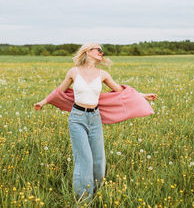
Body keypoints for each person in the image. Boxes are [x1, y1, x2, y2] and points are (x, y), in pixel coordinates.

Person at [34, 43, 157, 200]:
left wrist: (143, 95)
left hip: (95, 118)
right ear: (88, 51)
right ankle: (83, 199)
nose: (101, 52)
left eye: (101, 50)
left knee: (99, 161)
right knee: (84, 159)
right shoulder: (74, 72)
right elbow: (59, 91)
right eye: (98, 49)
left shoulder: (102, 74)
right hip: (77, 118)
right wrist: (43, 102)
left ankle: (96, 193)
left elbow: (121, 91)